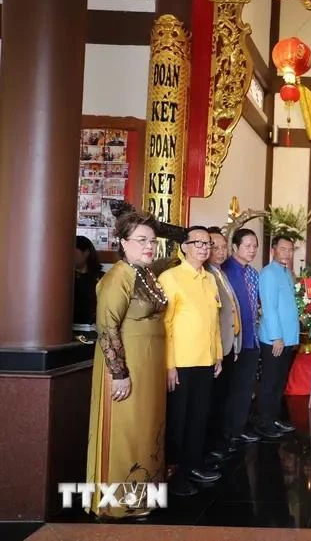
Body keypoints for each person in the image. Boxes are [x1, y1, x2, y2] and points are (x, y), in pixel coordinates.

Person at [85, 212, 167, 518]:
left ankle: (143, 497)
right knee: (127, 431)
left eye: (152, 241)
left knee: (146, 429)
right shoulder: (117, 277)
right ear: (123, 243)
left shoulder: (145, 273)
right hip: (127, 367)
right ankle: (117, 503)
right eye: (141, 240)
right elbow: (107, 327)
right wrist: (119, 374)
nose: (149, 246)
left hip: (149, 369)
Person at [159, 226, 223, 496]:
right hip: (181, 362)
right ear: (184, 247)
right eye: (197, 243)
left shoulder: (209, 278)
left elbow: (214, 321)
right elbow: (165, 324)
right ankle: (175, 475)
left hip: (206, 360)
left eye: (207, 243)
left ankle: (194, 465)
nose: (203, 247)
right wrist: (169, 364)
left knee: (200, 417)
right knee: (179, 419)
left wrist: (218, 354)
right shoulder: (170, 277)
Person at [205, 227, 258, 462]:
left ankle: (235, 430)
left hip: (244, 340)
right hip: (223, 345)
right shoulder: (221, 271)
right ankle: (226, 435)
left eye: (222, 247)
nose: (219, 251)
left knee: (242, 389)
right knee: (226, 393)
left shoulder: (244, 272)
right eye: (247, 245)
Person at [220, 228, 263, 447]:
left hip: (251, 338)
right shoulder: (225, 271)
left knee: (246, 387)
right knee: (232, 388)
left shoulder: (253, 273)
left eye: (255, 245)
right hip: (234, 342)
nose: (252, 249)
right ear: (235, 247)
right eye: (247, 245)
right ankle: (230, 431)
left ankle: (240, 426)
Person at [257, 235, 300, 439]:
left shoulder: (286, 273)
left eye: (290, 250)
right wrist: (276, 337)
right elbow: (269, 308)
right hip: (275, 339)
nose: (287, 253)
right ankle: (264, 423)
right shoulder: (268, 274)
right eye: (283, 249)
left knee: (280, 382)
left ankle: (273, 418)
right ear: (273, 250)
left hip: (288, 337)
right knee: (270, 382)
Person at [74, 235, 105, 338]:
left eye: (74, 251)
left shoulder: (101, 277)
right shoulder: (65, 278)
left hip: (94, 330)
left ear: (86, 253)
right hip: (71, 330)